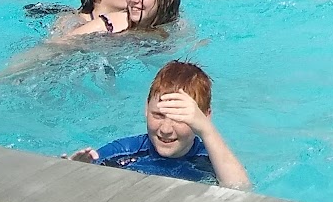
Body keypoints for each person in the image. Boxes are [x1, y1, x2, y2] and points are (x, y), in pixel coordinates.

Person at [68, 60, 250, 189]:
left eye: (179, 118)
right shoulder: (125, 152)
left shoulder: (210, 160)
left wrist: (207, 131)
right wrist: (75, 172)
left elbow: (240, 190)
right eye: (158, 115)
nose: (165, 129)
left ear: (204, 118)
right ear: (146, 109)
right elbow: (77, 183)